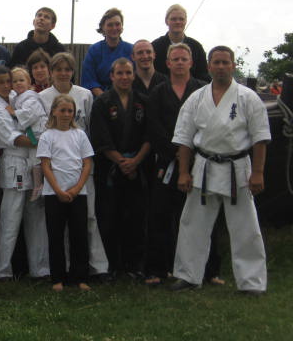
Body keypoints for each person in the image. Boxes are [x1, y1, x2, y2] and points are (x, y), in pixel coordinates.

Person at [171, 46, 270, 294]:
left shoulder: (248, 98)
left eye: (226, 62)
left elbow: (260, 138)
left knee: (245, 227)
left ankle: (251, 282)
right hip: (204, 167)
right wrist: (183, 172)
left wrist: (258, 172)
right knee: (193, 223)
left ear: (233, 66)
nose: (221, 67)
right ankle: (188, 275)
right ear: (208, 66)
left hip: (238, 168)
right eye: (216, 62)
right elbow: (184, 138)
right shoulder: (196, 98)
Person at [145, 43, 222, 285]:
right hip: (167, 162)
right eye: (175, 59)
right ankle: (159, 269)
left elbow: (212, 124)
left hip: (200, 160)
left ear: (191, 62)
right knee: (160, 215)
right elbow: (153, 127)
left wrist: (191, 151)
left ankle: (210, 270)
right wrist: (177, 152)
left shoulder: (203, 91)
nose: (179, 62)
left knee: (204, 215)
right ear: (167, 63)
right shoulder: (158, 92)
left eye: (183, 59)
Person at [39, 52, 110, 278]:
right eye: (58, 69)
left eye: (67, 69)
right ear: (51, 72)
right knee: (57, 224)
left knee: (88, 218)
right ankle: (62, 268)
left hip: (81, 163)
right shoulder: (42, 97)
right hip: (55, 167)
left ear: (73, 72)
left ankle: (97, 266)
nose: (63, 73)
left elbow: (89, 127)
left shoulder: (84, 94)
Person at [0, 66, 49, 280]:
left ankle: (40, 269)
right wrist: (44, 142)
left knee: (36, 218)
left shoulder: (15, 97)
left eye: (8, 81)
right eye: (1, 82)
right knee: (10, 220)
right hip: (14, 163)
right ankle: (2, 270)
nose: (6, 85)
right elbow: (10, 137)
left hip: (33, 161)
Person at [90, 58, 149, 278]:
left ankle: (134, 265)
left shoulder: (143, 101)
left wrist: (136, 161)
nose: (124, 77)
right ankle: (112, 265)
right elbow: (100, 138)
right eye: (120, 73)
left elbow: (149, 135)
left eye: (128, 73)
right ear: (111, 76)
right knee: (109, 216)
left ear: (134, 75)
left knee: (136, 216)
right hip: (110, 168)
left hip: (137, 166)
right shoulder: (102, 102)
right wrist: (122, 162)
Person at [37, 94, 94, 292]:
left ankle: (80, 277)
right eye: (62, 110)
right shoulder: (47, 136)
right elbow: (45, 165)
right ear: (54, 111)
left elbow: (87, 163)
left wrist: (77, 188)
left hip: (78, 193)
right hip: (54, 193)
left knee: (79, 235)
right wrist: (58, 190)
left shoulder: (80, 135)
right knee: (55, 236)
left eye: (70, 111)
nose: (66, 114)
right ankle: (58, 277)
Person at [8, 67, 47, 198]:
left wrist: (14, 113)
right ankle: (38, 185)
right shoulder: (18, 98)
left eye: (21, 80)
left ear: (29, 82)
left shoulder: (30, 97)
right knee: (34, 159)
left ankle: (39, 185)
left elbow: (30, 114)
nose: (18, 83)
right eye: (14, 81)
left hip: (39, 131)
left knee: (37, 159)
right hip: (31, 132)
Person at [81, 8, 133, 97]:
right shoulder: (93, 51)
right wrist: (106, 99)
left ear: (122, 27)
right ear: (103, 28)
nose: (114, 28)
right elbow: (89, 80)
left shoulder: (131, 50)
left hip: (127, 97)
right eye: (110, 25)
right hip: (99, 99)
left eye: (117, 24)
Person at [151, 4, 209, 81]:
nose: (178, 22)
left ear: (185, 21)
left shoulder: (196, 47)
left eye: (181, 19)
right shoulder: (155, 47)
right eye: (173, 19)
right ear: (166, 21)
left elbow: (203, 75)